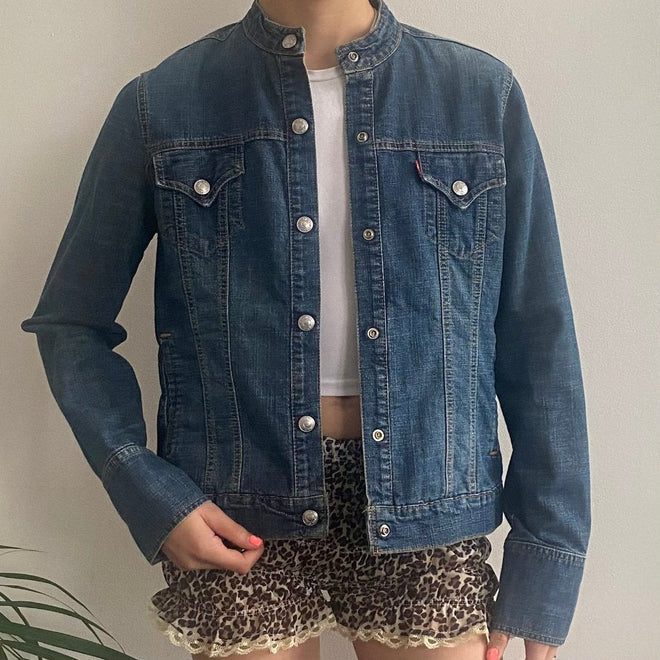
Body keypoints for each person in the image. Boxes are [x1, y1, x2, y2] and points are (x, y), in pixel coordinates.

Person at [20, 0, 590, 658]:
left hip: (428, 503)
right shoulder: (163, 104)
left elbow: (538, 334)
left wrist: (547, 557)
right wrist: (145, 489)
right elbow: (71, 322)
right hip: (237, 509)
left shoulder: (478, 96)